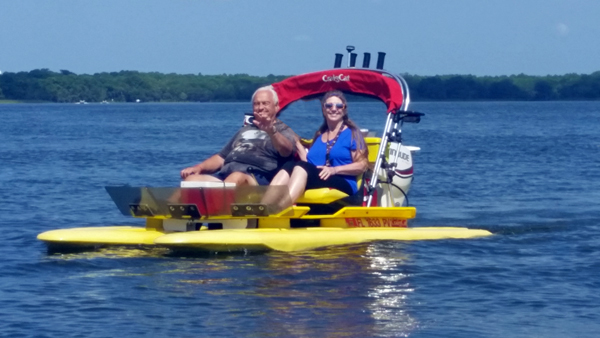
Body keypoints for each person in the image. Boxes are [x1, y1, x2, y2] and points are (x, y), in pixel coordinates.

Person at [268, 90, 368, 206]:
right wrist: (298, 145)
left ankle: (281, 207)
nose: (334, 109)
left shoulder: (352, 134)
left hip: (342, 181)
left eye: (339, 106)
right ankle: (264, 207)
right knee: (289, 166)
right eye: (329, 105)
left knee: (300, 166)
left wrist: (334, 170)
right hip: (318, 177)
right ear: (324, 110)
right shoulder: (319, 135)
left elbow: (362, 165)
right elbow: (309, 165)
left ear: (344, 109)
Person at [180, 86, 296, 186]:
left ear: (276, 107)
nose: (260, 107)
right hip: (226, 176)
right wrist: (199, 168)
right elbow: (221, 157)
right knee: (191, 180)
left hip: (255, 179)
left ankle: (220, 208)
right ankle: (170, 211)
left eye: (265, 103)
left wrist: (272, 132)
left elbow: (286, 151)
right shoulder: (245, 130)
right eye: (256, 104)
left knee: (236, 178)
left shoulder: (283, 130)